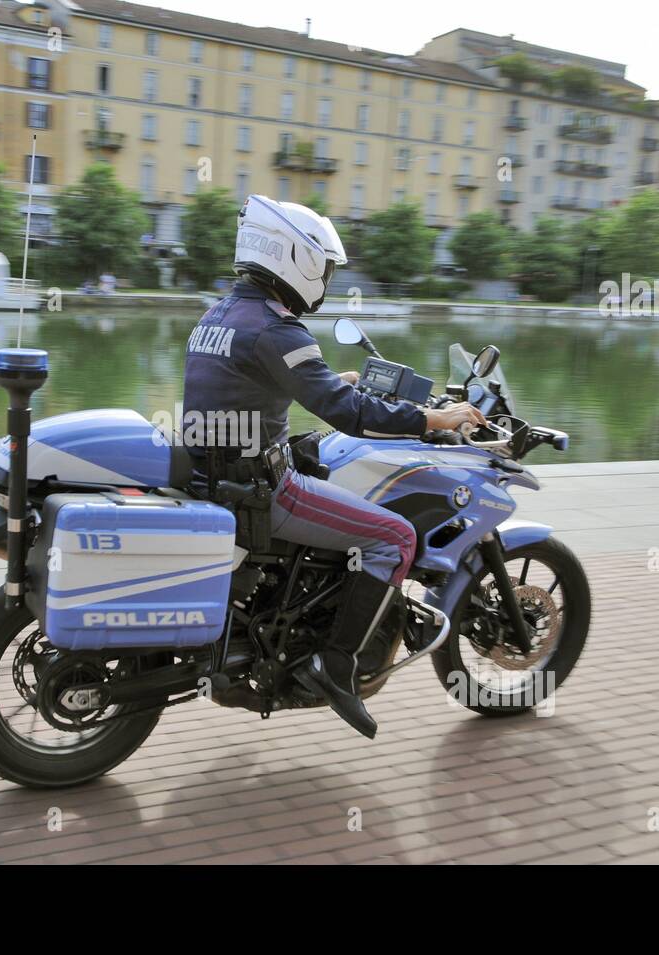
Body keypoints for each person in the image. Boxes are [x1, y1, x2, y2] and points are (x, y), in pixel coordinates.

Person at [181, 195, 485, 738]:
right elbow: (350, 417)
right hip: (262, 490)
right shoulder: (277, 329)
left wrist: (329, 382)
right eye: (321, 267)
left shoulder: (218, 313)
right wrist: (434, 421)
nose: (323, 279)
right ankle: (336, 662)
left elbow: (250, 388)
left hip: (215, 477)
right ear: (293, 259)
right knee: (393, 538)